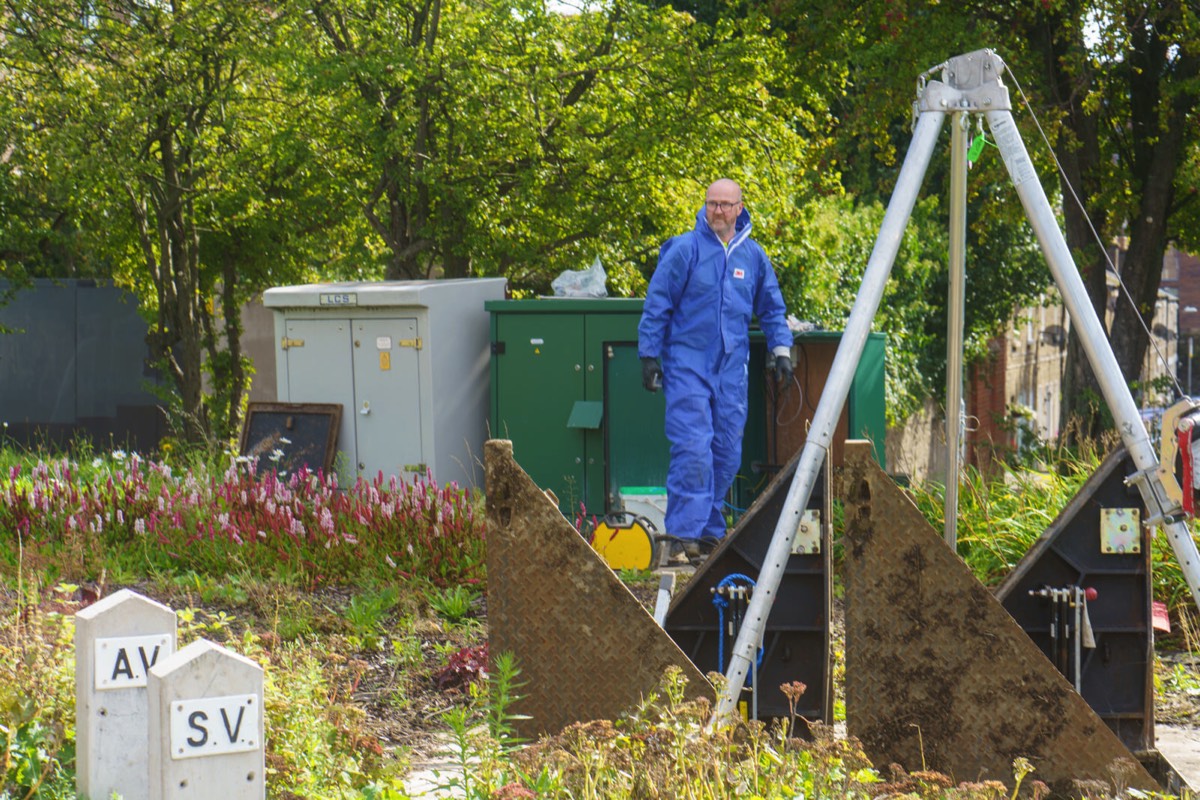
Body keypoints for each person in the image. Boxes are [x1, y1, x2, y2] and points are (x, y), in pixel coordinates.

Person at [638, 178, 793, 562]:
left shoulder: (752, 256)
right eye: (712, 204)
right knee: (693, 450)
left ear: (740, 208)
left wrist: (782, 350)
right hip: (688, 366)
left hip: (731, 373)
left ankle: (706, 538)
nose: (718, 211)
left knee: (726, 455)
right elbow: (658, 302)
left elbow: (772, 307)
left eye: (725, 204)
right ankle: (681, 537)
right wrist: (649, 355)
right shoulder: (685, 250)